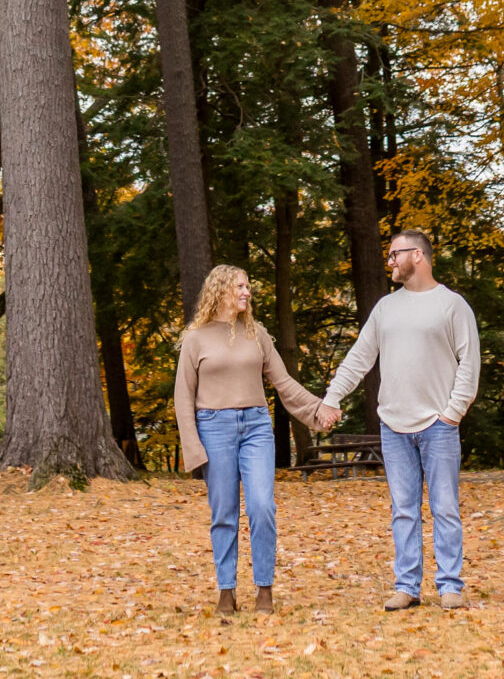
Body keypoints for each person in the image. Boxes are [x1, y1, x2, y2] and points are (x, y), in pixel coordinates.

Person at [314, 228, 481, 611]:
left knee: (444, 507)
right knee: (403, 510)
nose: (389, 262)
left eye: (394, 255)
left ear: (417, 256)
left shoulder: (451, 305)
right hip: (393, 425)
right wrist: (332, 397)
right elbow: (359, 358)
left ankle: (450, 586)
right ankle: (407, 586)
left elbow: (469, 364)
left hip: (439, 425)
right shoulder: (385, 308)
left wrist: (452, 413)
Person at [173, 264, 333, 615]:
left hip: (257, 426)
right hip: (213, 427)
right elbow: (183, 397)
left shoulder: (256, 333)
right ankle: (226, 592)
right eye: (239, 286)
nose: (246, 292)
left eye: (248, 287)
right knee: (224, 512)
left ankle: (264, 590)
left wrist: (317, 410)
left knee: (262, 506)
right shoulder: (196, 338)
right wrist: (193, 448)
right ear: (220, 290)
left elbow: (284, 383)